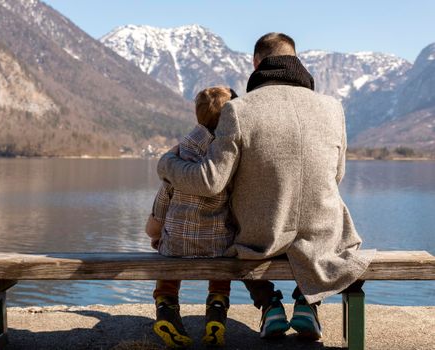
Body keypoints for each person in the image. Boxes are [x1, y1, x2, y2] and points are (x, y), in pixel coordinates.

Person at [157, 33, 375, 340]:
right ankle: (305, 304)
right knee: (331, 226)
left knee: (234, 234)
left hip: (262, 239)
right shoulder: (333, 108)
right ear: (296, 61)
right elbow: (337, 175)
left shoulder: (239, 110)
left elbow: (210, 181)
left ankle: (269, 304)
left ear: (256, 63)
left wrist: (166, 165)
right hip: (323, 235)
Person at [146, 86, 238, 348]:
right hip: (218, 246)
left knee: (168, 253)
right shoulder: (227, 156)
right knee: (224, 256)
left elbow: (165, 197)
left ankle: (166, 306)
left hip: (176, 246)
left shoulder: (181, 155)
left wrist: (156, 233)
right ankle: (217, 310)